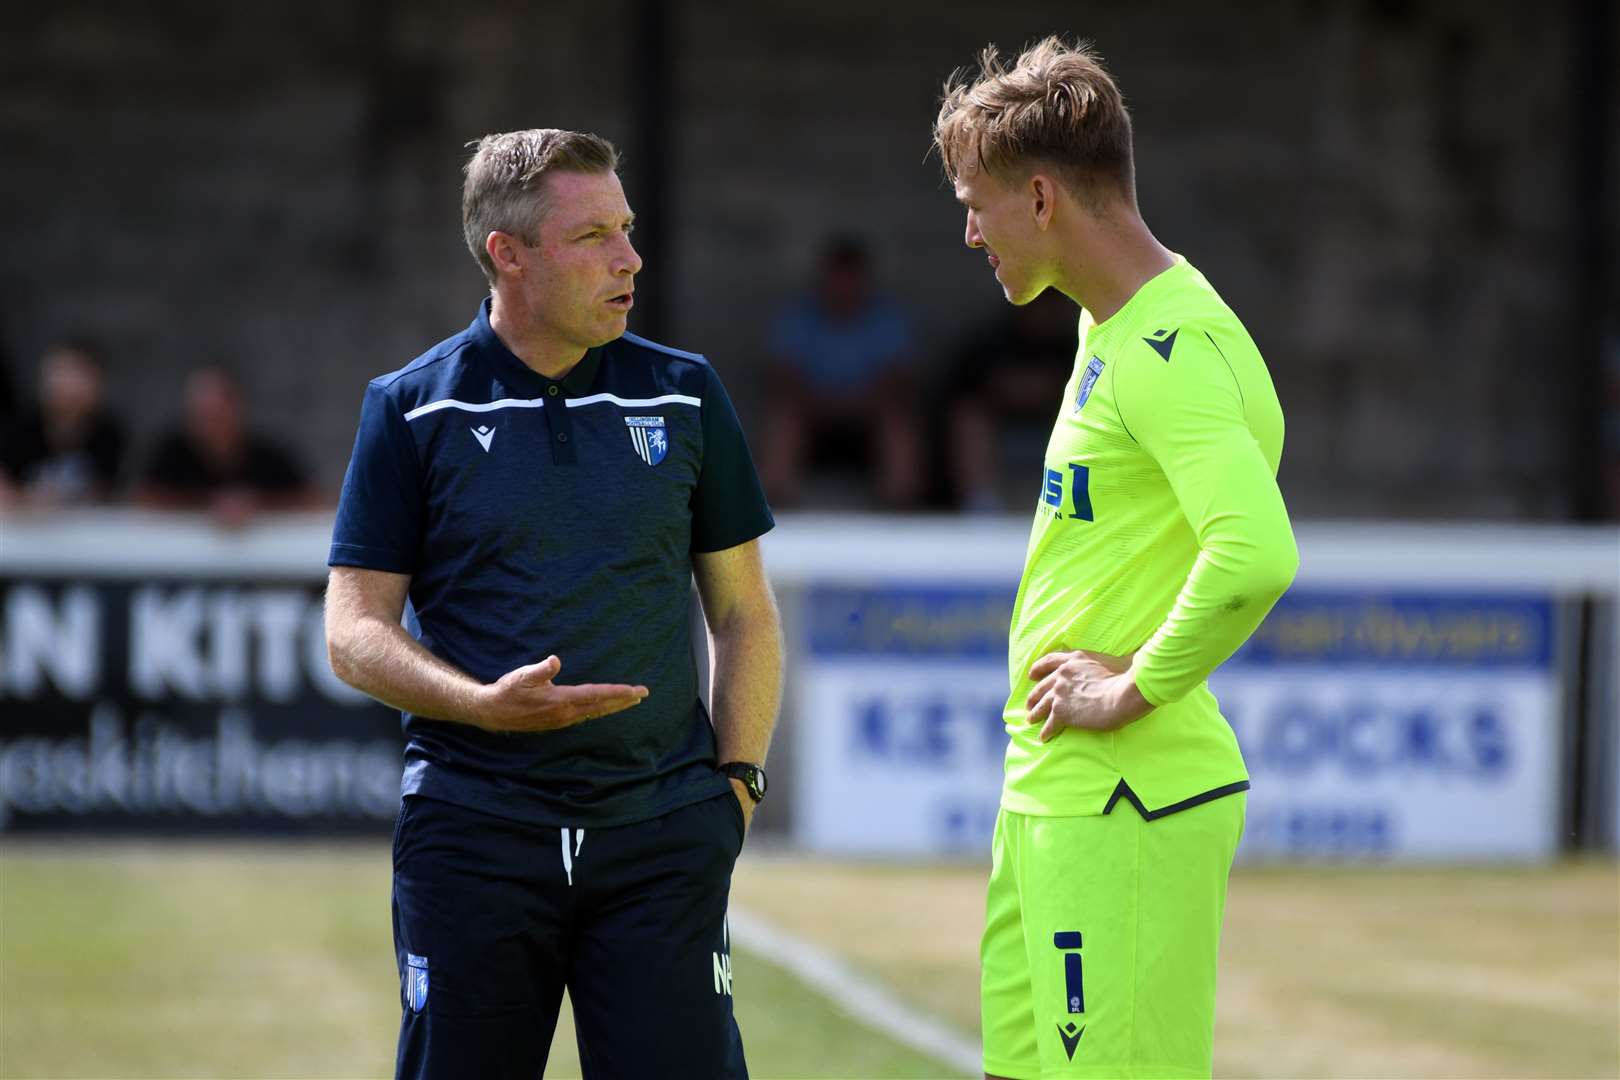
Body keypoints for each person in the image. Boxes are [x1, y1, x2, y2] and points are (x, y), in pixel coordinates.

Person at [323, 128, 783, 1080]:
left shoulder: (686, 394)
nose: (630, 259)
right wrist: (477, 704)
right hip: (472, 835)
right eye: (593, 238)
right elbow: (353, 631)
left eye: (627, 229)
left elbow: (743, 614)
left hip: (663, 839)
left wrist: (735, 788)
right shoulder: (410, 407)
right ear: (510, 254)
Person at [932, 38, 1299, 1078]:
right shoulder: (1111, 327)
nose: (968, 231)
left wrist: (1134, 688)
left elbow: (1255, 551)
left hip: (1126, 801)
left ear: (1041, 198)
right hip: (1056, 795)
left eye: (976, 202)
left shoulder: (1166, 351)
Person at [758, 236, 924, 509]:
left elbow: (901, 381)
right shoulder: (797, 318)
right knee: (783, 419)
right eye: (837, 277)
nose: (843, 286)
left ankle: (900, 510)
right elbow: (780, 378)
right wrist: (822, 403)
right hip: (812, 417)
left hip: (868, 418)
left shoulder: (886, 319)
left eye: (851, 278)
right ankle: (775, 510)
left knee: (897, 423)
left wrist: (859, 404)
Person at [943, 290, 1079, 512]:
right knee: (969, 418)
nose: (1042, 315)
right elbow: (961, 390)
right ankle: (982, 507)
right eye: (1035, 306)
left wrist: (1049, 390)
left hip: (1061, 429)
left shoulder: (1077, 345)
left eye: (1048, 308)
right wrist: (1007, 389)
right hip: (998, 430)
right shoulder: (991, 344)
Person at [137, 364, 318, 525]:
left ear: (238, 410)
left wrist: (258, 505)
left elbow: (313, 502)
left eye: (217, 416)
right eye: (202, 416)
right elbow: (141, 501)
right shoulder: (171, 454)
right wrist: (208, 505)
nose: (210, 425)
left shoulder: (268, 455)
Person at [0, 338, 125, 508]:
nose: (68, 385)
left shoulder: (110, 435)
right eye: (59, 373)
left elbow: (111, 493)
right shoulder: (19, 429)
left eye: (79, 375)